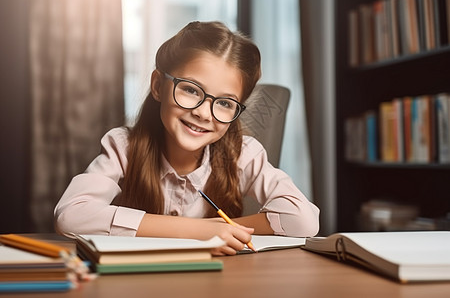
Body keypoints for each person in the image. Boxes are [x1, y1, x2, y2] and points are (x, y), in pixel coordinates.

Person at [54, 21, 319, 256]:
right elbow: (72, 215)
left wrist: (225, 232)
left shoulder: (243, 153)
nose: (204, 113)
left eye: (225, 103)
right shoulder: (124, 146)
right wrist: (196, 231)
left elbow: (302, 220)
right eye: (191, 90)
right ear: (158, 86)